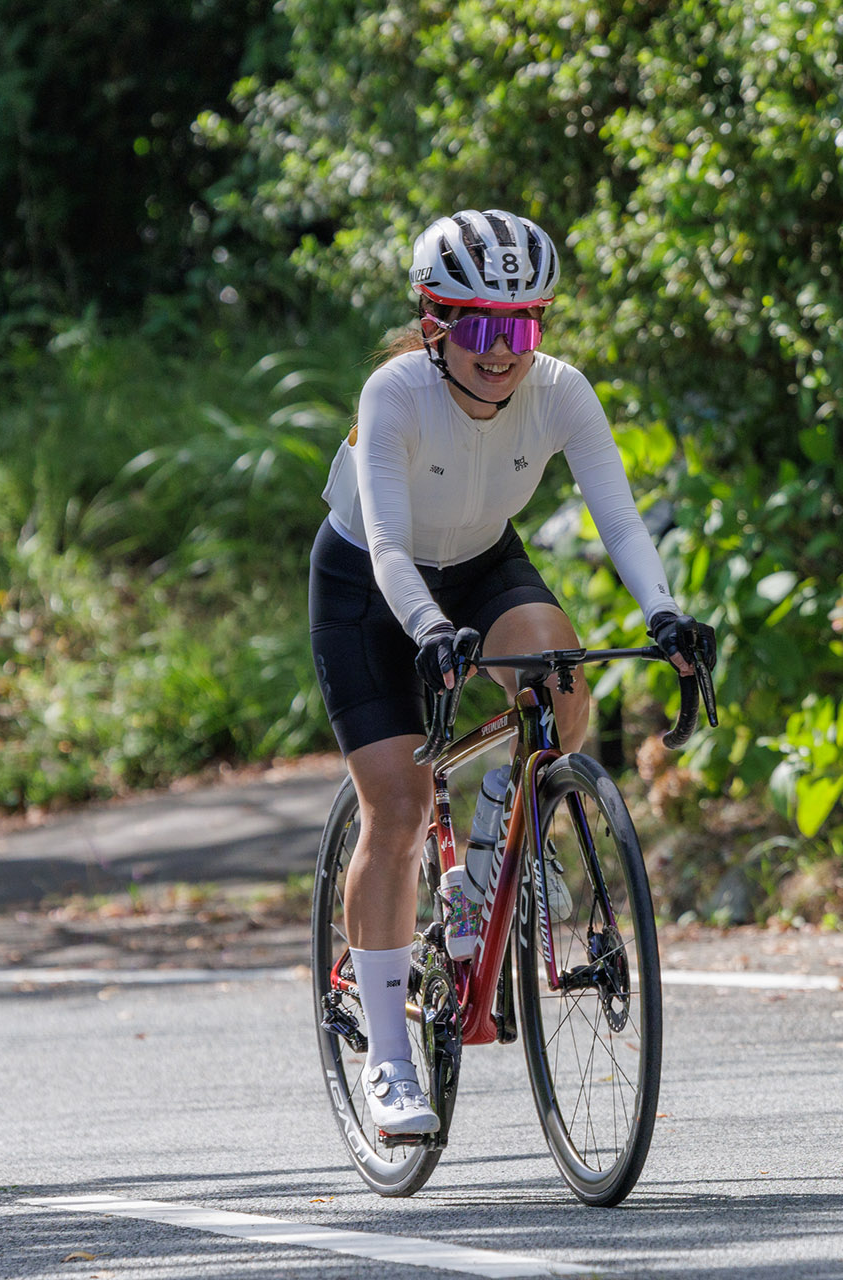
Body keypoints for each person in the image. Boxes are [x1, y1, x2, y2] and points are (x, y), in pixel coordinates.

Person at [308, 209, 716, 1136]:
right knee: (397, 807)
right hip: (372, 584)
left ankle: (499, 835)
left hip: (483, 562)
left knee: (559, 685)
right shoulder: (395, 393)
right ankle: (389, 1059)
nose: (504, 352)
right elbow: (386, 545)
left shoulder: (560, 391)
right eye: (484, 328)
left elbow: (619, 517)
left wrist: (664, 614)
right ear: (434, 324)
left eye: (523, 328)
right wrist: (427, 627)